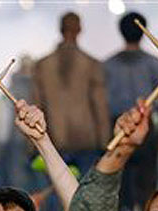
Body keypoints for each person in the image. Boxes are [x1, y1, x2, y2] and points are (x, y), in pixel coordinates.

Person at [104, 12, 158, 211]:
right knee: (147, 177)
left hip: (117, 126)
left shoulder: (107, 66)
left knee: (119, 176)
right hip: (145, 126)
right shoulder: (156, 64)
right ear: (143, 32)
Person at [34, 12, 110, 176]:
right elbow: (100, 105)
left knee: (55, 193)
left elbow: (36, 104)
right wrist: (105, 143)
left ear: (60, 29)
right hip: (86, 140)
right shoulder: (91, 64)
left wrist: (32, 144)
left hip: (53, 139)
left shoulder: (42, 65)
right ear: (80, 29)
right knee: (85, 194)